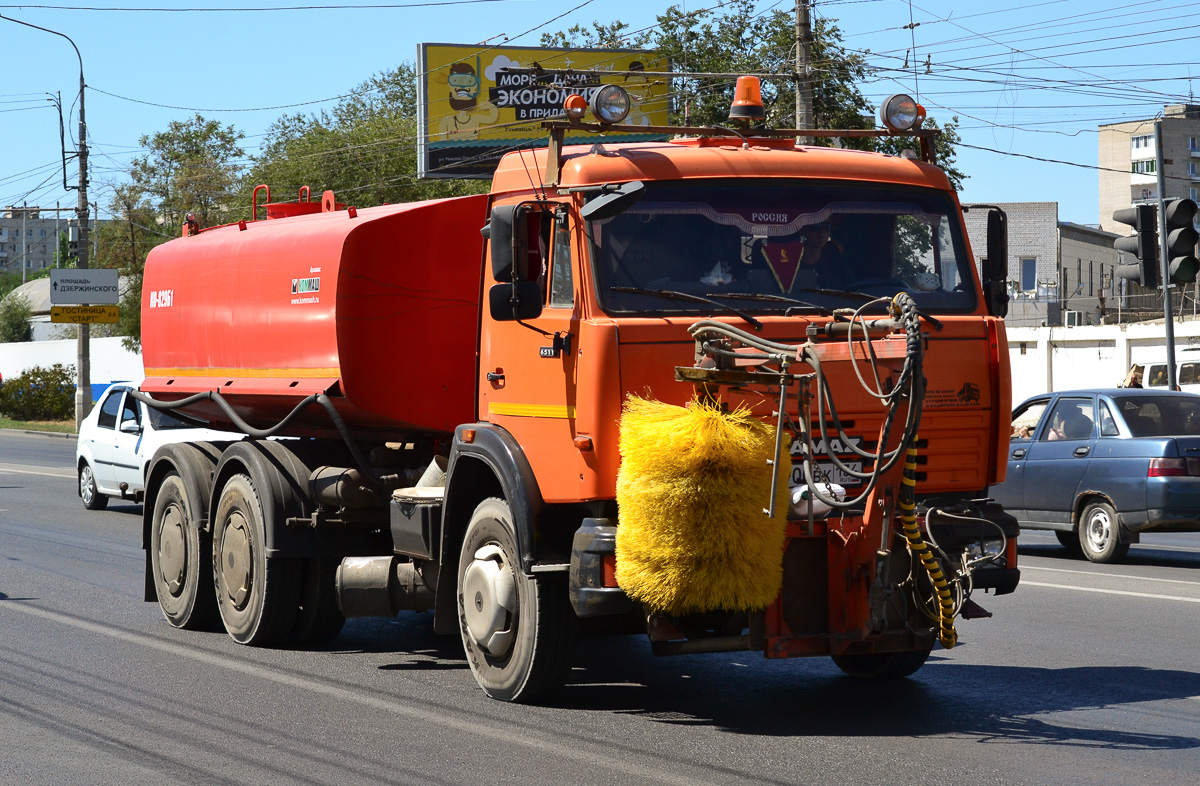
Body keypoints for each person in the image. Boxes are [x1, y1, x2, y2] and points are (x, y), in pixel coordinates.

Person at [748, 221, 844, 294]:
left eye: (828, 226)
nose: (823, 231)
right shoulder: (783, 263)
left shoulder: (833, 258)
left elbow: (849, 290)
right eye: (816, 225)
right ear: (801, 229)